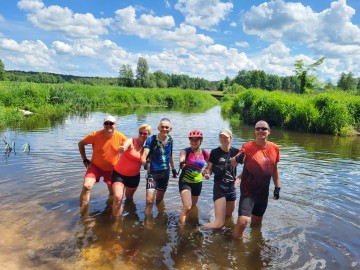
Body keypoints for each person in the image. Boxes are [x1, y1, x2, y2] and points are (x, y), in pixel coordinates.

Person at [231, 120, 281, 239]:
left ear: (269, 131)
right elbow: (233, 162)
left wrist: (277, 187)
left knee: (256, 224)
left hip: (263, 193)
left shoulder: (274, 148)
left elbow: (275, 169)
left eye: (263, 128)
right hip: (248, 191)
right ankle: (235, 247)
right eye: (257, 128)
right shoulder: (247, 147)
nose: (260, 131)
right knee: (243, 221)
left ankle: (254, 247)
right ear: (254, 131)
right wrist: (238, 159)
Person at [78, 115, 127, 210]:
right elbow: (81, 144)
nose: (108, 125)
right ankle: (83, 212)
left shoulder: (120, 137)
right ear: (103, 125)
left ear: (115, 125)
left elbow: (131, 147)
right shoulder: (95, 135)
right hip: (95, 166)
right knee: (86, 186)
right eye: (106, 123)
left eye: (111, 123)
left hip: (112, 169)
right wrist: (84, 159)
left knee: (113, 193)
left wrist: (125, 150)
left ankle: (109, 209)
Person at [111, 124, 152, 217]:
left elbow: (149, 161)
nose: (142, 135)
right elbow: (125, 146)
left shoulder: (148, 148)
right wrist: (122, 148)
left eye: (145, 133)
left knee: (129, 199)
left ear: (148, 134)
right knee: (118, 197)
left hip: (134, 177)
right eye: (140, 133)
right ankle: (116, 223)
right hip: (119, 175)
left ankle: (130, 217)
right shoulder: (131, 141)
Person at [202, 128, 239, 229]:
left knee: (229, 216)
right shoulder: (214, 152)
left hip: (232, 187)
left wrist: (239, 178)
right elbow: (209, 169)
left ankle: (224, 237)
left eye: (225, 137)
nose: (223, 139)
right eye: (221, 136)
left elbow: (249, 167)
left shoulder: (236, 152)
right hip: (219, 187)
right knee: (219, 223)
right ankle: (198, 230)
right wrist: (207, 174)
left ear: (231, 138)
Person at [141, 117, 177, 218]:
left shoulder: (170, 140)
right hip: (153, 173)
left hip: (165, 173)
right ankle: (147, 224)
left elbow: (170, 154)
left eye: (167, 127)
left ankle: (160, 218)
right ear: (158, 128)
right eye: (162, 127)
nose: (164, 129)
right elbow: (144, 155)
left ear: (170, 129)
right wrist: (144, 163)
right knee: (149, 201)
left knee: (159, 199)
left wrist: (174, 170)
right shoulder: (151, 140)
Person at [178, 130, 209, 223]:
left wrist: (206, 172)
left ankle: (191, 222)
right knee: (187, 206)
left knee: (192, 206)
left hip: (198, 183)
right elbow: (182, 158)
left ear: (201, 141)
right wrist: (182, 162)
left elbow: (211, 164)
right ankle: (181, 229)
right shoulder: (185, 151)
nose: (194, 142)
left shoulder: (204, 153)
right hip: (185, 181)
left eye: (196, 140)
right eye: (192, 140)